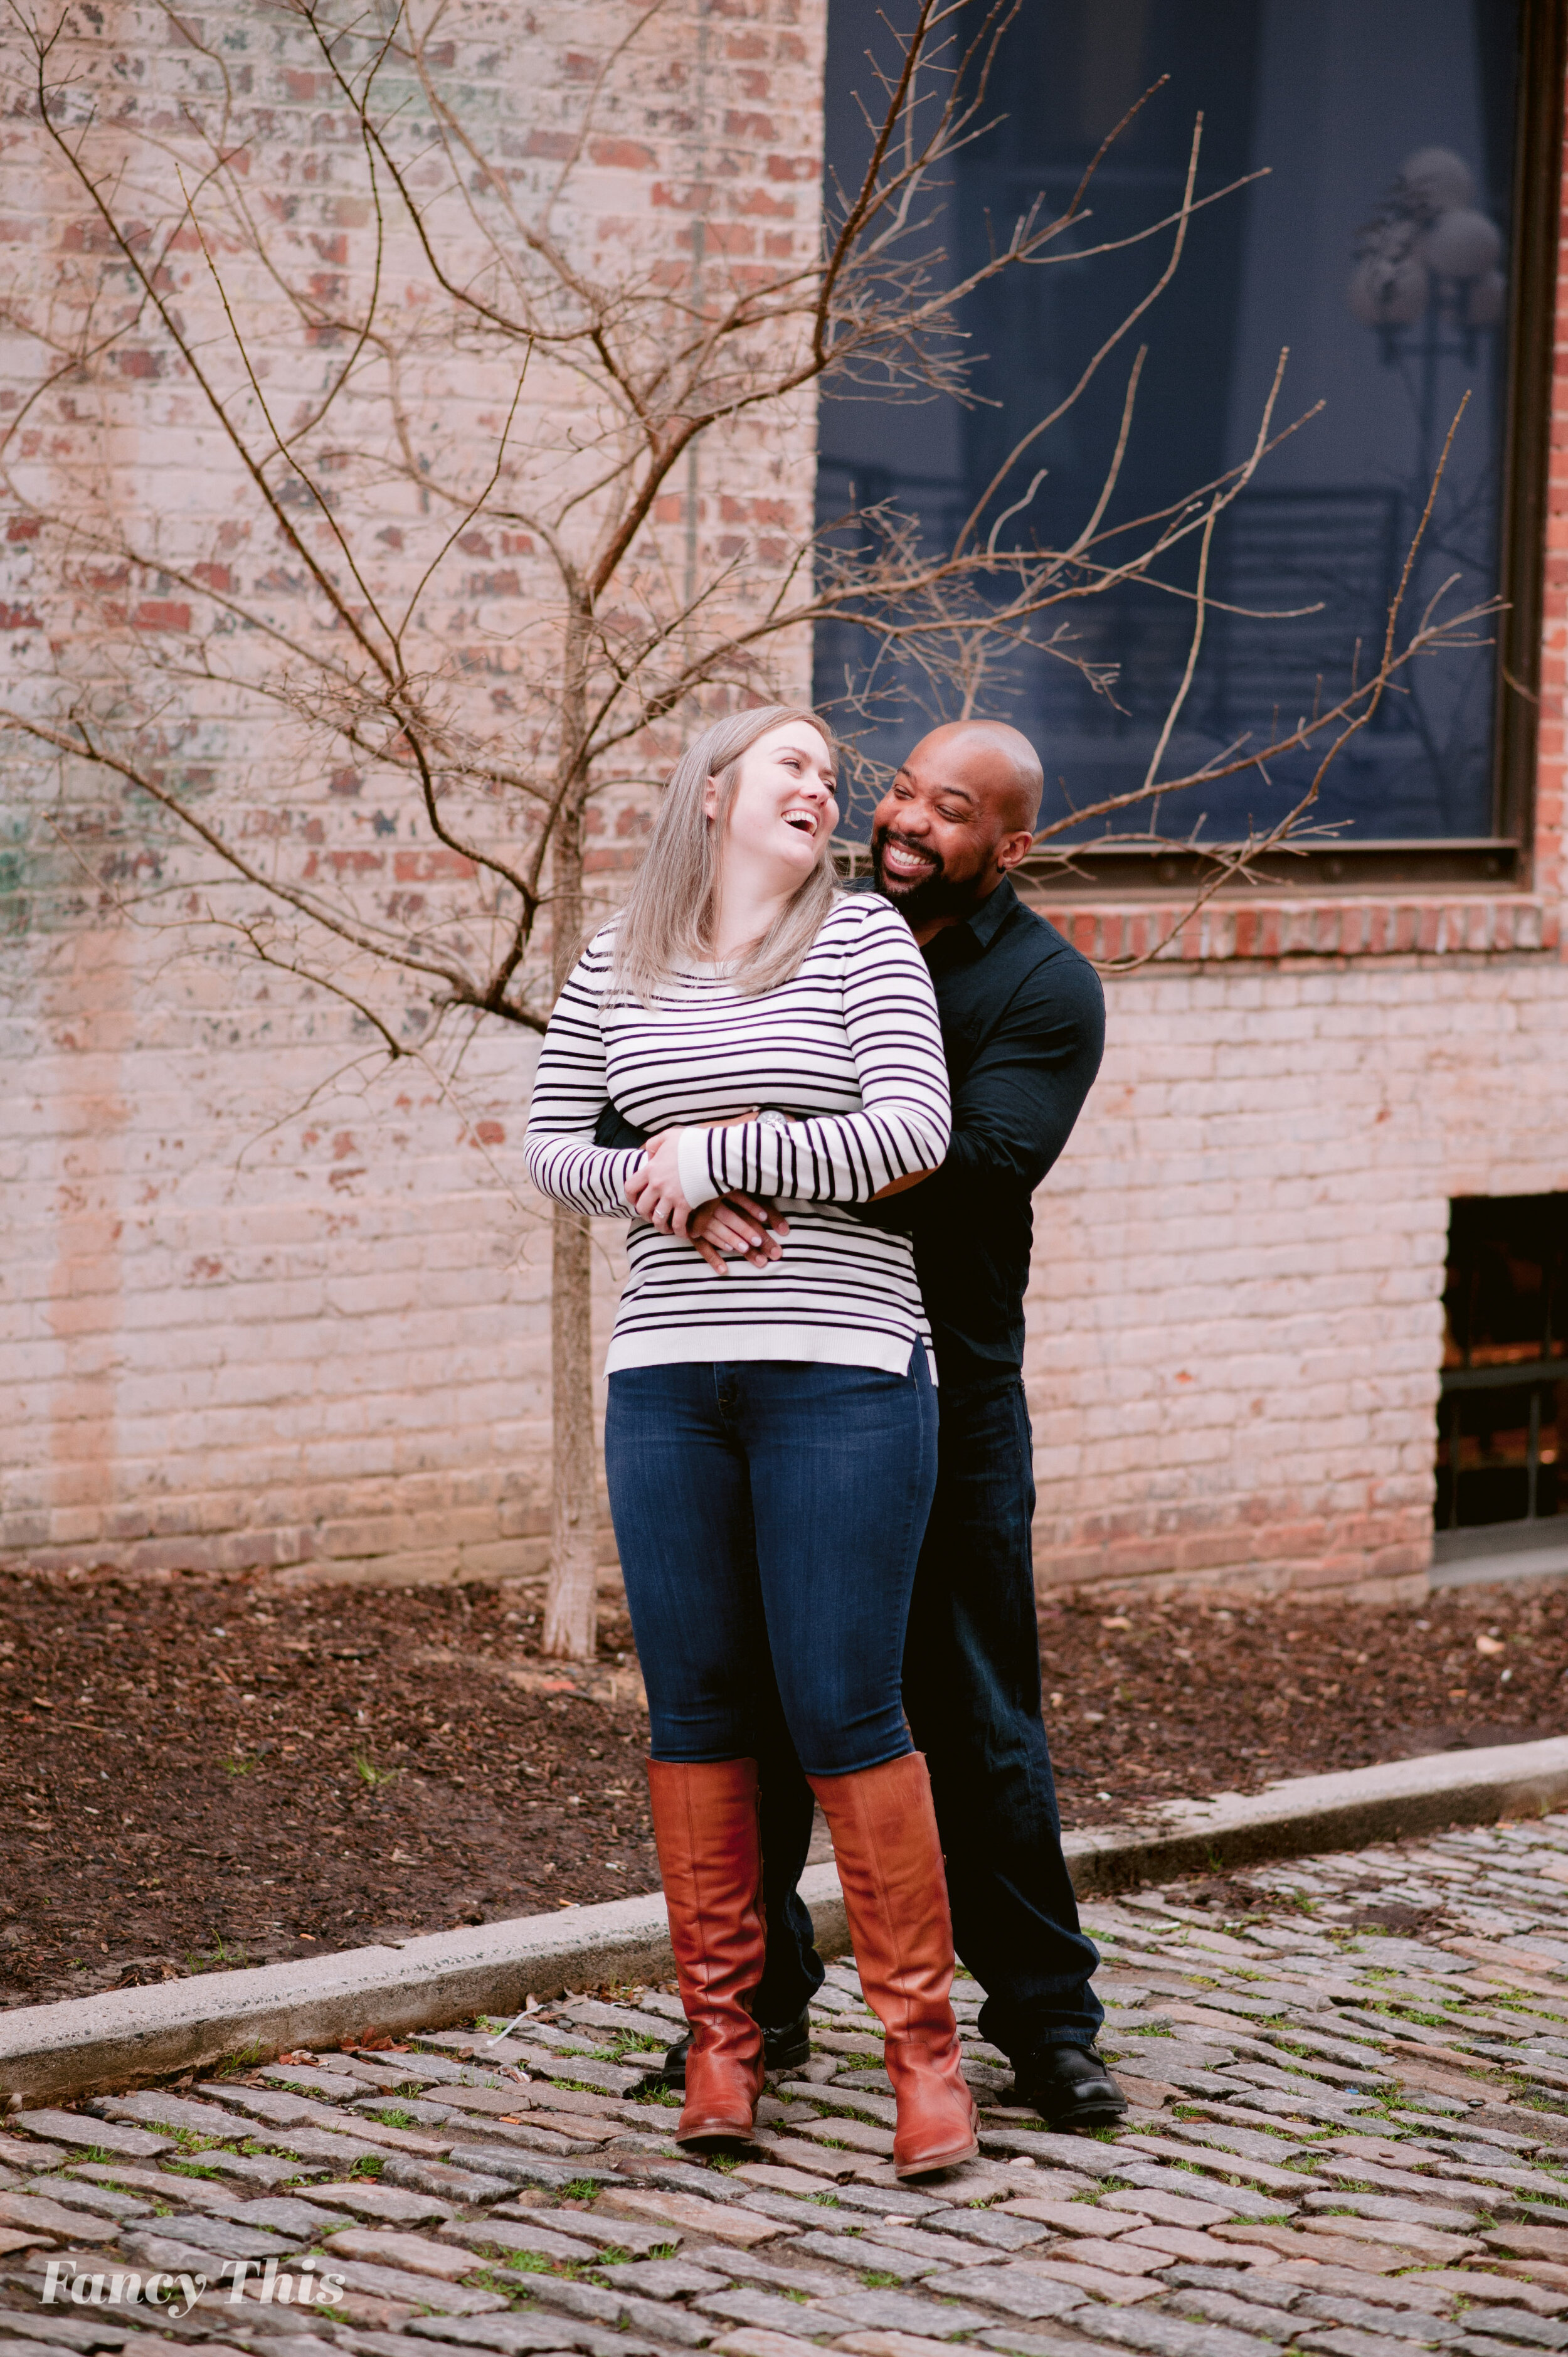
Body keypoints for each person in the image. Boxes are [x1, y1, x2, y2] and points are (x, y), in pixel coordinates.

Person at [601, 720, 1126, 2129]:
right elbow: (612, 1104)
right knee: (761, 1701)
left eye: (944, 810)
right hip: (765, 1366)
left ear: (1007, 845)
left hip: (942, 1380)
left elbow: (974, 1161)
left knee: (971, 1711)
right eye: (897, 787)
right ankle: (759, 2015)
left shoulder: (1042, 986)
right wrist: (702, 1166)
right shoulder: (803, 929)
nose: (897, 819)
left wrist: (748, 1137)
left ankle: (1042, 2019)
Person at [523, 703, 980, 2179]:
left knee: (846, 1705)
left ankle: (925, 2058)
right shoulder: (617, 960)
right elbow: (548, 1144)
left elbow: (909, 1134)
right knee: (696, 1708)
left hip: (843, 1371)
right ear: (712, 793)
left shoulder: (859, 946)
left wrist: (717, 1151)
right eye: (791, 763)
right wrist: (665, 1193)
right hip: (665, 1378)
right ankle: (723, 2040)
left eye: (828, 776)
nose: (820, 786)